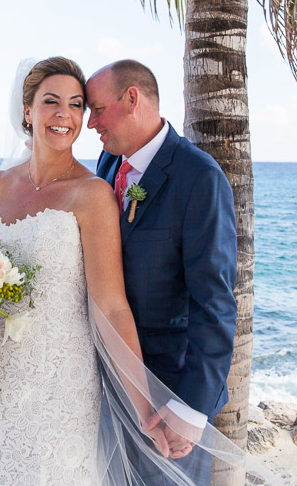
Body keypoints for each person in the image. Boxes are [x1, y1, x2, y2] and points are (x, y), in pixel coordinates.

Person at [0, 56, 162, 485]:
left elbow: (112, 306)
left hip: (58, 391)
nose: (65, 114)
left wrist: (144, 405)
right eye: (51, 101)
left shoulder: (92, 195)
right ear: (27, 111)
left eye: (77, 104)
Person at [86, 59, 238, 450]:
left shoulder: (199, 178)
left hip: (168, 396)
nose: (91, 124)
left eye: (98, 109)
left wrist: (189, 410)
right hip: (107, 383)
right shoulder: (107, 164)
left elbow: (215, 303)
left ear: (132, 98)